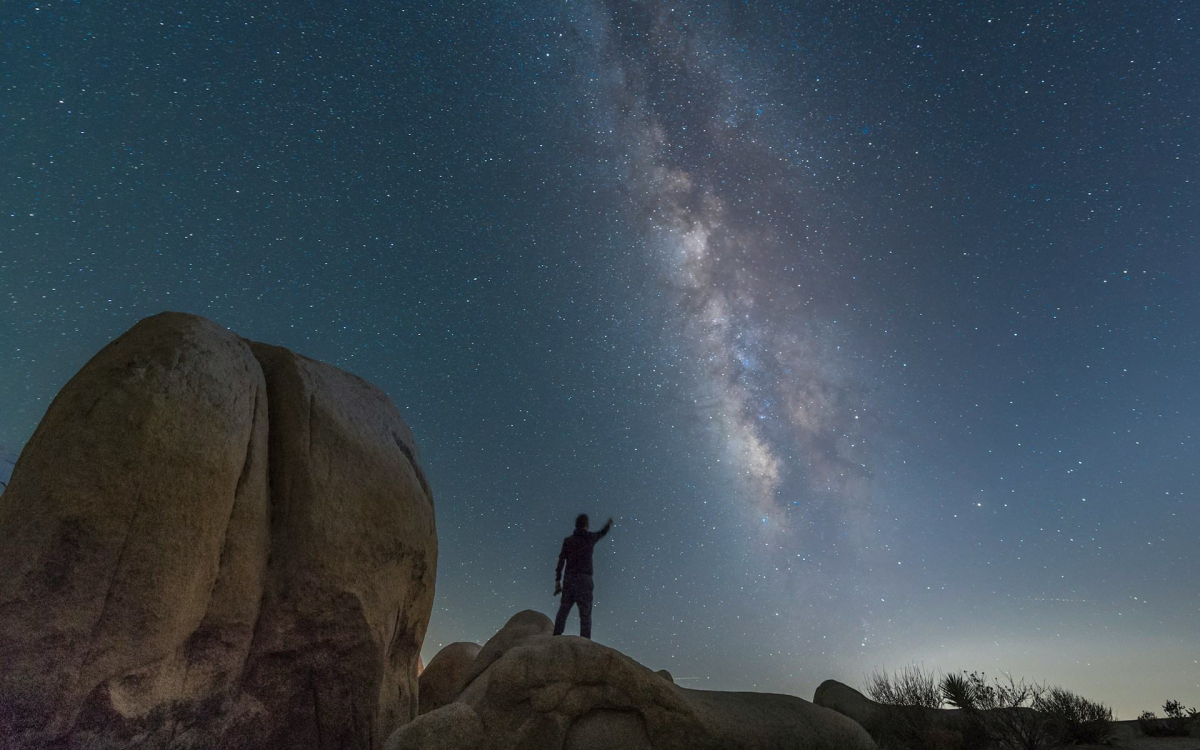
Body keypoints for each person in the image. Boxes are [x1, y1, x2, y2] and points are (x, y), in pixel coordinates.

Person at [553, 513, 613, 639]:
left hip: (570, 580)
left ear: (576, 525)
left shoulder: (568, 541)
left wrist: (558, 580)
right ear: (587, 525)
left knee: (563, 611)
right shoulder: (590, 538)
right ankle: (585, 643)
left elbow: (561, 561)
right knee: (585, 616)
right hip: (584, 581)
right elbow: (602, 533)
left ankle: (555, 638)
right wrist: (608, 524)